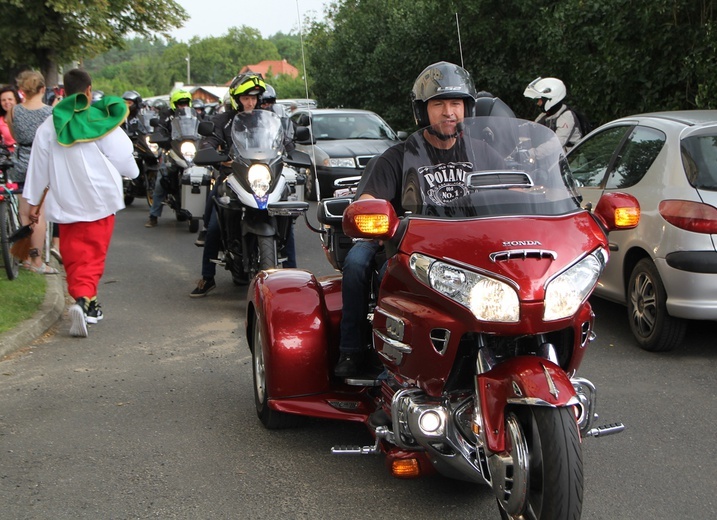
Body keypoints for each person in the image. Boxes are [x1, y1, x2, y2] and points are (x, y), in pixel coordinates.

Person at [334, 61, 506, 377]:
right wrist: (371, 210)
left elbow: (513, 187)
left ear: (466, 108)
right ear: (422, 111)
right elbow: (367, 200)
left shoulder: (482, 152)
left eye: (456, 103)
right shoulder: (398, 156)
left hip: (471, 243)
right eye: (438, 104)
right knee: (358, 265)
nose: (448, 111)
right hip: (406, 244)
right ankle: (354, 350)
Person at [22, 68, 139, 337]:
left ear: (62, 92)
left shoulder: (48, 126)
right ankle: (85, 299)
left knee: (75, 255)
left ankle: (87, 302)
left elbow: (38, 169)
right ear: (89, 90)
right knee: (94, 254)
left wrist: (31, 205)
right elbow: (123, 155)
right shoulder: (100, 119)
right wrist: (132, 173)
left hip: (65, 199)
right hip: (99, 198)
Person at [190, 73, 266, 297]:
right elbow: (209, 140)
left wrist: (288, 148)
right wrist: (217, 154)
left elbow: (283, 140)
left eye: (253, 98)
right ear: (236, 99)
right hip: (231, 176)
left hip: (261, 178)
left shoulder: (265, 120)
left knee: (286, 217)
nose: (250, 102)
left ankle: (292, 278)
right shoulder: (223, 121)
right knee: (214, 225)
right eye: (245, 98)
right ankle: (207, 277)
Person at [8, 70, 57, 274]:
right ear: (42, 89)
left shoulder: (14, 111)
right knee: (39, 214)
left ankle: (26, 256)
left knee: (24, 212)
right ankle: (37, 261)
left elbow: (13, 134)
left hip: (20, 161)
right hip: (41, 163)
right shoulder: (49, 113)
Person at [145, 89, 192, 228]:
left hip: (189, 152)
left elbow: (201, 128)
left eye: (185, 103)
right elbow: (159, 128)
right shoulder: (166, 115)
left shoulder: (193, 116)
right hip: (172, 151)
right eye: (180, 104)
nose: (183, 106)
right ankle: (153, 216)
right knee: (161, 180)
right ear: (174, 104)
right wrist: (161, 137)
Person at [523, 77, 582, 154]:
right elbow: (532, 128)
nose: (538, 103)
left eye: (540, 100)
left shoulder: (566, 116)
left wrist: (531, 153)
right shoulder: (545, 115)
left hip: (572, 160)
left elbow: (556, 144)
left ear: (550, 99)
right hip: (555, 159)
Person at [0, 85, 21, 152]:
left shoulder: (23, 117)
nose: (7, 102)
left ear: (16, 100)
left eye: (10, 99)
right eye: (3, 100)